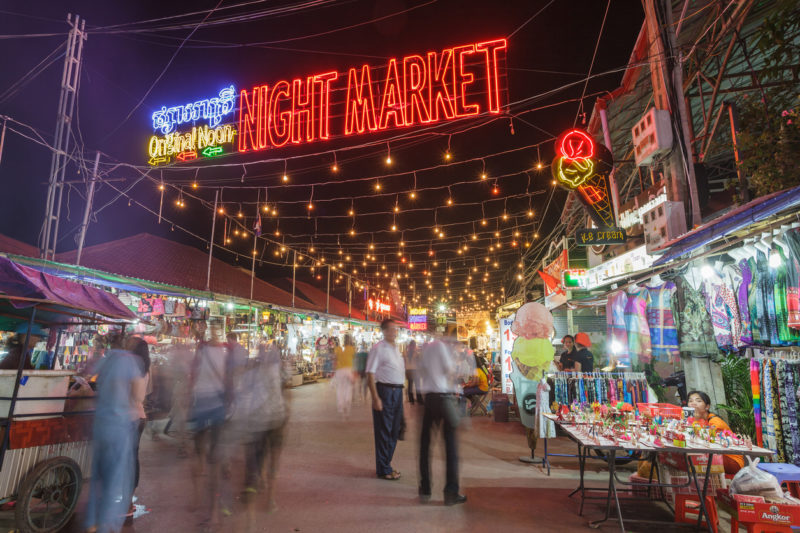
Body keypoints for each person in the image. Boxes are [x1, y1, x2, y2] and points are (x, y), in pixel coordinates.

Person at [85, 330, 144, 533]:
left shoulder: (105, 359)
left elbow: (88, 377)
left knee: (98, 476)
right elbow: (138, 396)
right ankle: (106, 525)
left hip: (100, 423)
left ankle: (92, 522)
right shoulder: (130, 361)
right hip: (119, 425)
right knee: (115, 477)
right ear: (125, 342)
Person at [237, 340, 289, 523]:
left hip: (258, 422)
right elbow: (285, 392)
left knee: (256, 461)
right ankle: (271, 500)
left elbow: (244, 396)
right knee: (273, 462)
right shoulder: (279, 370)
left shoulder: (251, 373)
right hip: (277, 419)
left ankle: (251, 516)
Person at [188, 320, 231, 528]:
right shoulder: (205, 350)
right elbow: (193, 375)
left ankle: (211, 507)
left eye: (216, 330)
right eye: (213, 329)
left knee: (212, 457)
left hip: (212, 404)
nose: (214, 333)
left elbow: (193, 375)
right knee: (199, 454)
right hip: (205, 403)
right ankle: (199, 497)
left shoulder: (221, 352)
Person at [418, 334, 467, 505]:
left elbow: (421, 370)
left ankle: (425, 489)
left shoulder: (428, 348)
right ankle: (451, 492)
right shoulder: (441, 347)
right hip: (443, 398)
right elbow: (450, 371)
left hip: (429, 398)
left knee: (425, 445)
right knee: (450, 446)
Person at [366, 319, 406, 480]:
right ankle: (384, 469)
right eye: (391, 329)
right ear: (384, 331)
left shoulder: (395, 349)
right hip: (385, 391)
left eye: (395, 329)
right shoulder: (378, 349)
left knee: (395, 430)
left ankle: (386, 465)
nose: (394, 332)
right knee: (384, 431)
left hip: (397, 392)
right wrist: (375, 397)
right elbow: (370, 373)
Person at [687, 391, 745, 474]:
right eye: (690, 401)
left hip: (732, 460)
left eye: (698, 401)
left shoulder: (715, 421)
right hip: (715, 455)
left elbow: (706, 441)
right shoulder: (698, 420)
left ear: (707, 407)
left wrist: (695, 420)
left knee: (690, 459)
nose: (693, 403)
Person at [126, 336, 151, 525]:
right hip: (137, 416)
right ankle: (127, 500)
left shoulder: (134, 369)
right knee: (131, 459)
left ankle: (127, 502)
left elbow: (136, 395)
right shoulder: (144, 369)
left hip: (132, 418)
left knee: (130, 460)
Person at [333, 334, 356, 416]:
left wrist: (334, 371)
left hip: (339, 371)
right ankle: (347, 403)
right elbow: (354, 361)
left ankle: (341, 407)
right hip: (349, 370)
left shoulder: (337, 349)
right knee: (348, 388)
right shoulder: (352, 349)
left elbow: (335, 360)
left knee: (340, 389)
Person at [404, 340, 423, 404]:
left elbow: (404, 362)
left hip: (408, 370)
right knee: (417, 385)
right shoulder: (416, 353)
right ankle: (419, 399)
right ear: (414, 346)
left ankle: (411, 399)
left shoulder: (405, 353)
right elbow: (419, 363)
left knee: (410, 385)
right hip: (415, 371)